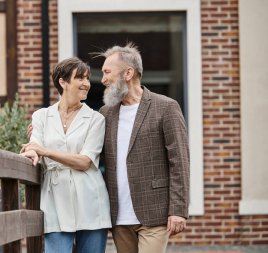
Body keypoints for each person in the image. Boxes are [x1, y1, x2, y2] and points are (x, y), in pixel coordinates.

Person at [99, 43, 190, 253]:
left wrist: (178, 210)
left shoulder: (166, 107)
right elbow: (89, 152)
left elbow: (180, 161)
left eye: (107, 72)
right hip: (119, 215)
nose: (102, 79)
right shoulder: (105, 113)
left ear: (128, 73)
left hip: (155, 212)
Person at [20, 57, 111, 253]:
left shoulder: (96, 119)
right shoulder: (41, 116)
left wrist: (44, 151)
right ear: (63, 82)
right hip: (55, 199)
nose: (87, 84)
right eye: (80, 78)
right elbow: (33, 147)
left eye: (87, 78)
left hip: (90, 199)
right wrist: (32, 152)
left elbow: (85, 161)